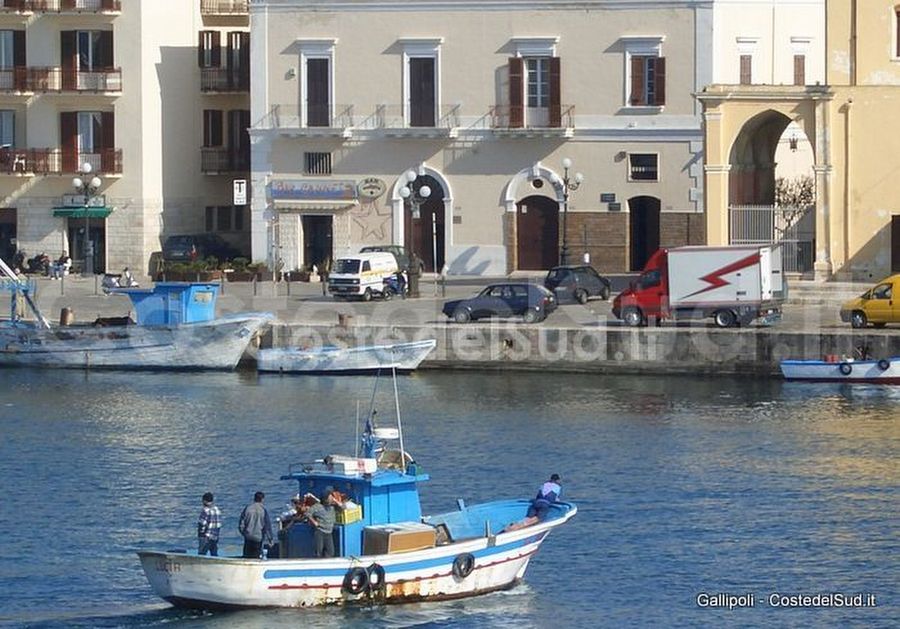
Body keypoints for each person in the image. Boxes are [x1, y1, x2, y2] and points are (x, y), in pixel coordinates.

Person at [238, 491, 273, 559]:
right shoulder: (263, 510)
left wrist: (244, 533)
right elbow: (267, 526)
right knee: (256, 557)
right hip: (258, 538)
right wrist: (270, 539)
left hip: (248, 536)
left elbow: (241, 524)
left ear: (254, 498)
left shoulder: (248, 508)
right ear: (262, 499)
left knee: (246, 557)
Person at [306, 491, 338, 558]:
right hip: (320, 531)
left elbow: (343, 507)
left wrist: (336, 501)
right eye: (329, 498)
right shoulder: (317, 507)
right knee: (318, 551)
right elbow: (307, 514)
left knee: (330, 552)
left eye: (332, 498)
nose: (331, 500)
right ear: (325, 499)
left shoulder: (332, 506)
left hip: (329, 532)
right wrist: (314, 522)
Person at [197, 492, 222, 556]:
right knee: (214, 553)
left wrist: (200, 534)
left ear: (204, 501)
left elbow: (202, 524)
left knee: (202, 554)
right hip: (215, 536)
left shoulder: (205, 511)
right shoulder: (217, 509)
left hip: (206, 537)